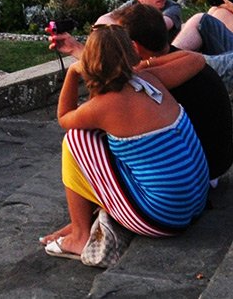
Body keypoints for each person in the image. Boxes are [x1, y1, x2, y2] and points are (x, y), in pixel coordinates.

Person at [41, 26, 209, 259]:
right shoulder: (151, 80)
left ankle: (79, 235)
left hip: (164, 218)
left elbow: (64, 118)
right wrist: (145, 65)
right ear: (131, 52)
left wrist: (72, 73)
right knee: (119, 145)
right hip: (195, 201)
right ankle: (84, 219)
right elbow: (196, 58)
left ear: (90, 62)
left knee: (76, 139)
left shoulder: (103, 106)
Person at [82, 5, 233, 185]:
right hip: (218, 162)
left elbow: (99, 107)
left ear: (135, 46)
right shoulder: (182, 60)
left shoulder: (151, 80)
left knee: (86, 137)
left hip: (196, 173)